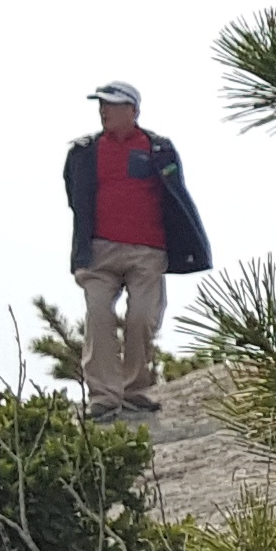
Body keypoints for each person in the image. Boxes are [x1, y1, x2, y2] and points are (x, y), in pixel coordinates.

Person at [63, 81, 213, 418]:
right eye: (101, 104)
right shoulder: (83, 151)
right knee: (98, 316)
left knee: (142, 318)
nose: (104, 111)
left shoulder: (158, 148)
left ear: (133, 110)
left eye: (112, 105)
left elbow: (175, 194)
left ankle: (135, 389)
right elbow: (75, 195)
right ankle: (103, 396)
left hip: (148, 249)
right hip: (99, 251)